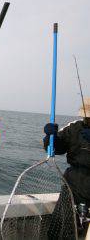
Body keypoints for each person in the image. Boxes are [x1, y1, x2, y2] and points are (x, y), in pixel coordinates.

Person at [43, 97, 90, 236]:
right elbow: (55, 149)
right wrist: (51, 138)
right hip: (72, 187)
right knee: (59, 230)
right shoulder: (75, 127)